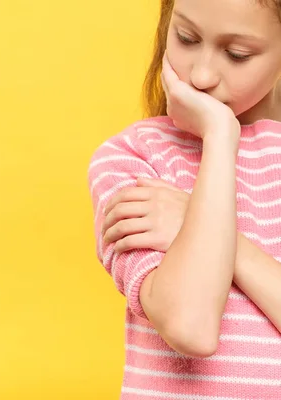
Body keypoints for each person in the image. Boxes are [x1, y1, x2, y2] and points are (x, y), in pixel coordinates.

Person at [88, 0, 281, 398]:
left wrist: (204, 225)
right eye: (186, 38)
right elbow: (190, 326)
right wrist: (220, 139)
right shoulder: (135, 159)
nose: (202, 74)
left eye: (236, 54)